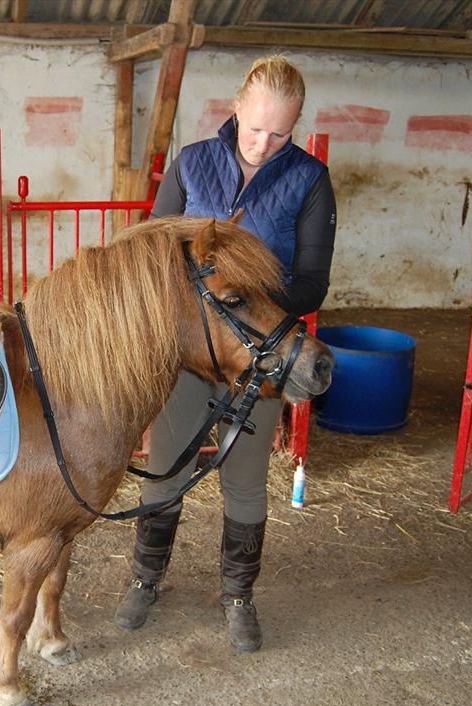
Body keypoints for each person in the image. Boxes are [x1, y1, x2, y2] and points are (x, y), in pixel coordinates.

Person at [114, 54, 337, 653]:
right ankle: (145, 579)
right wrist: (202, 302)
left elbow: (312, 281)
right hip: (191, 351)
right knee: (166, 469)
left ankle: (238, 597)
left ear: (295, 127)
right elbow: (152, 253)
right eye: (256, 127)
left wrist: (244, 297)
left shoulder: (309, 180)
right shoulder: (192, 163)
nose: (263, 144)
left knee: (244, 479)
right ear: (236, 108)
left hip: (257, 355)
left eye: (280, 134)